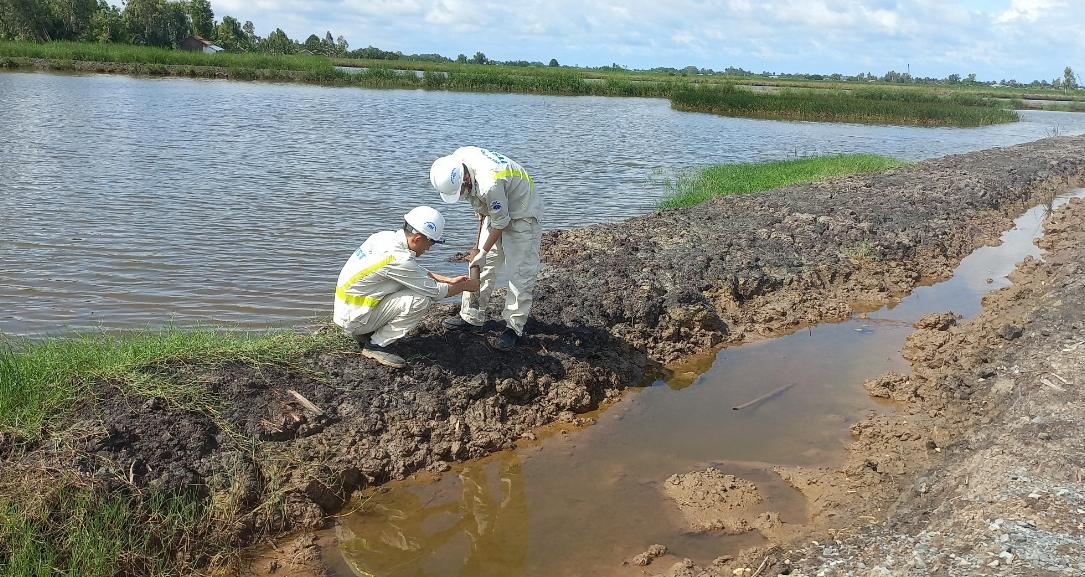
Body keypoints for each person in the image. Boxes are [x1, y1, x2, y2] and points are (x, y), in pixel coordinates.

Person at [333, 206, 480, 368]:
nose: (429, 248)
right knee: (421, 299)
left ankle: (367, 332)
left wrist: (447, 279)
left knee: (411, 286)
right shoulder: (399, 259)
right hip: (355, 320)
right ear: (417, 238)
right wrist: (467, 286)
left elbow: (414, 271)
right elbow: (436, 292)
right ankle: (376, 345)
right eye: (430, 243)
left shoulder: (384, 238)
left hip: (348, 312)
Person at [429, 147, 543, 351]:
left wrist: (483, 251)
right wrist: (482, 251)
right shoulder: (456, 160)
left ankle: (513, 327)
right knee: (483, 266)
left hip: (522, 209)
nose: (461, 196)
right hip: (497, 206)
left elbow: (501, 222)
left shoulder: (490, 183)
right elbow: (485, 208)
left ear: (465, 178)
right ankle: (472, 317)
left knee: (520, 272)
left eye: (461, 191)